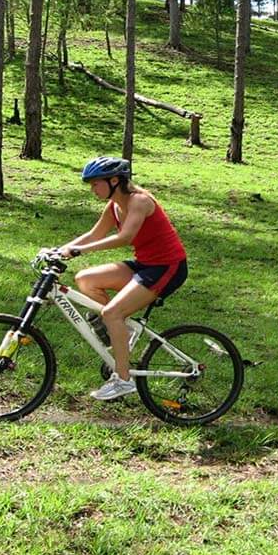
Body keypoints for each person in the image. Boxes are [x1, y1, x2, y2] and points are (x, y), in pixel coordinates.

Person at [57, 156, 188, 401]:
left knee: (112, 313)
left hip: (168, 267)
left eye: (95, 183)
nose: (92, 189)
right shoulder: (115, 206)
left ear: (114, 180)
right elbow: (94, 234)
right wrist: (59, 249)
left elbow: (125, 237)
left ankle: (124, 379)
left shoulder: (139, 201)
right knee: (85, 279)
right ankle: (123, 333)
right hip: (145, 264)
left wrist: (79, 251)